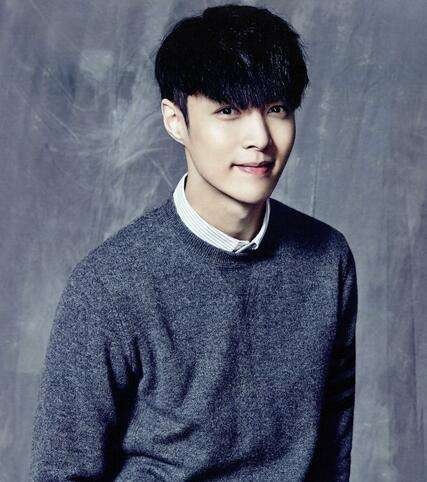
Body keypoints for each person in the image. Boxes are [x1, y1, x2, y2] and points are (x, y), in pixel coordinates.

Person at [30, 4, 358, 481]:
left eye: (276, 109)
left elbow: (332, 454)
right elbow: (62, 471)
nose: (260, 138)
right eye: (228, 110)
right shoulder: (110, 283)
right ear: (175, 120)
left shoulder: (328, 260)